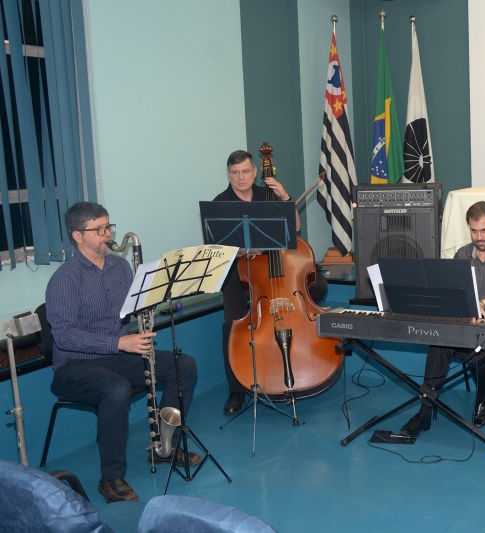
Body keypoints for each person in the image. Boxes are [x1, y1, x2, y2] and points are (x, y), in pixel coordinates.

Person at [46, 202, 199, 503]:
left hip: (116, 354)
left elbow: (135, 306)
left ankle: (165, 448)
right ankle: (111, 479)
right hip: (74, 365)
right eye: (99, 230)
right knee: (115, 389)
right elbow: (64, 336)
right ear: (78, 236)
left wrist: (155, 300)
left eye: (108, 227)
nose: (107, 235)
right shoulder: (65, 279)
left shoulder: (119, 266)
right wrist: (119, 343)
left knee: (184, 365)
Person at [213, 149, 327, 416]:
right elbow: (219, 248)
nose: (241, 177)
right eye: (235, 173)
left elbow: (295, 229)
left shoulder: (268, 194)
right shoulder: (221, 203)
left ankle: (299, 339)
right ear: (229, 175)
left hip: (276, 267)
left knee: (318, 286)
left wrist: (285, 198)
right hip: (240, 270)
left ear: (255, 172)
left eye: (246, 171)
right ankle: (236, 391)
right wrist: (241, 252)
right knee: (232, 323)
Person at [400, 201, 485, 437]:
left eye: (484, 230)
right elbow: (453, 290)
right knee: (437, 344)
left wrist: (482, 303)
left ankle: (484, 399)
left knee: (481, 350)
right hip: (465, 315)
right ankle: (424, 413)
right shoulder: (462, 254)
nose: (479, 236)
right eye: (474, 231)